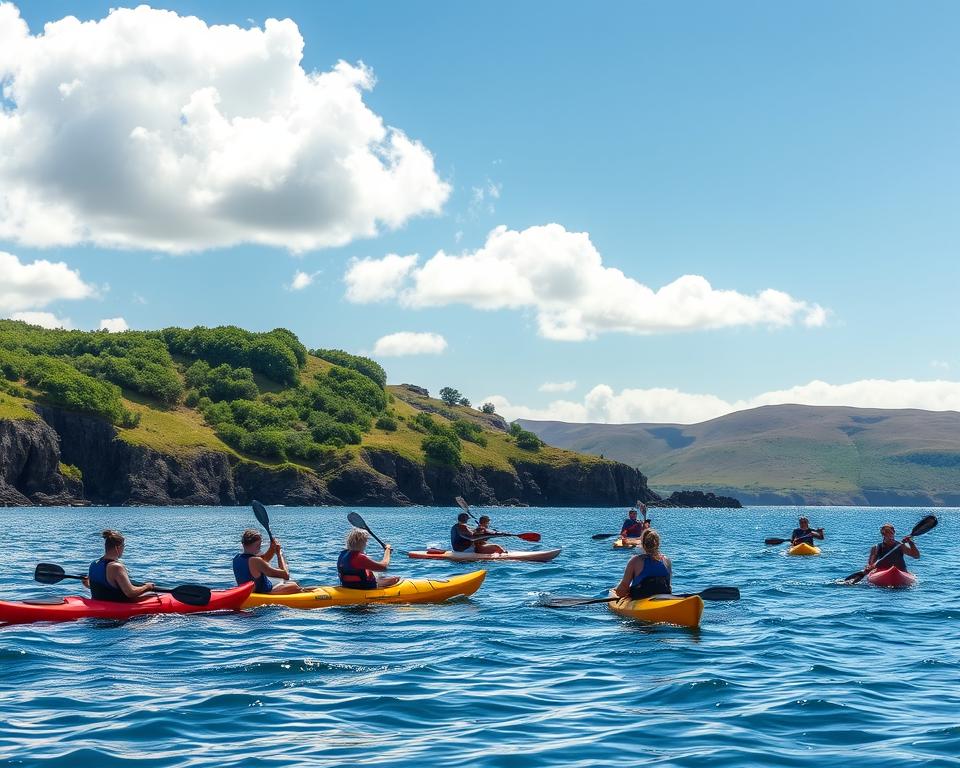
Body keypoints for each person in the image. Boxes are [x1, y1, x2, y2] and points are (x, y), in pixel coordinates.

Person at [83, 529, 156, 602]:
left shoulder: (94, 564)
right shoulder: (116, 567)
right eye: (123, 546)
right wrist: (147, 586)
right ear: (117, 547)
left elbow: (99, 588)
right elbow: (130, 593)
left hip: (99, 603)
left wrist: (87, 584)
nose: (124, 549)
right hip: (115, 607)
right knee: (153, 595)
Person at [233, 528, 304, 595]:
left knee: (290, 584)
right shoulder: (256, 561)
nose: (260, 548)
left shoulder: (237, 558)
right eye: (259, 545)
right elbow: (285, 575)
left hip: (249, 593)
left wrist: (272, 548)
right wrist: (279, 554)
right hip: (265, 593)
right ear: (257, 545)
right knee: (295, 585)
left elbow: (263, 560)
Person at [614, 529, 672, 599]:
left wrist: (622, 590)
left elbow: (621, 592)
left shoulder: (635, 561)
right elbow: (669, 587)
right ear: (658, 544)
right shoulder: (666, 560)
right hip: (663, 599)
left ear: (643, 544)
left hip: (641, 599)